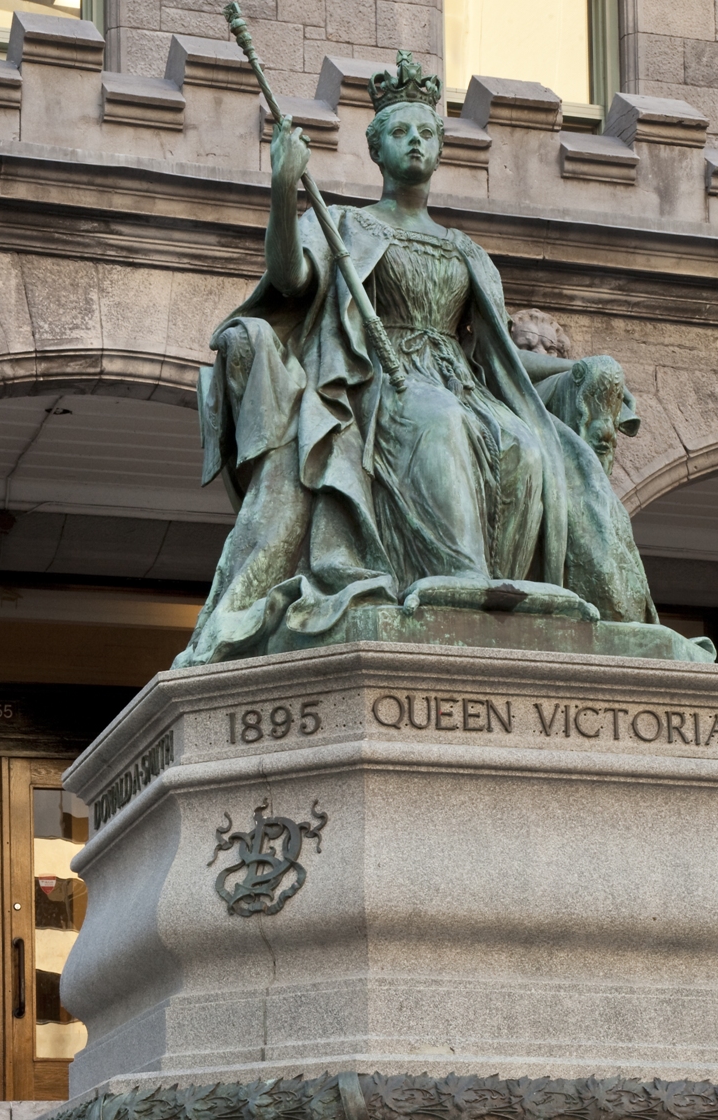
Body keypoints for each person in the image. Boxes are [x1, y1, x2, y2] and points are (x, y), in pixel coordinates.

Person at [174, 51, 662, 667]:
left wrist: (578, 371)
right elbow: (291, 281)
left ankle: (512, 595)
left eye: (426, 133)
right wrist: (281, 189)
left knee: (524, 444)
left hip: (462, 381)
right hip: (378, 380)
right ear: (376, 150)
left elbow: (497, 357)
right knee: (437, 421)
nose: (415, 143)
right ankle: (459, 581)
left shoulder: (464, 250)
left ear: (439, 149)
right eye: (400, 133)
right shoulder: (346, 224)